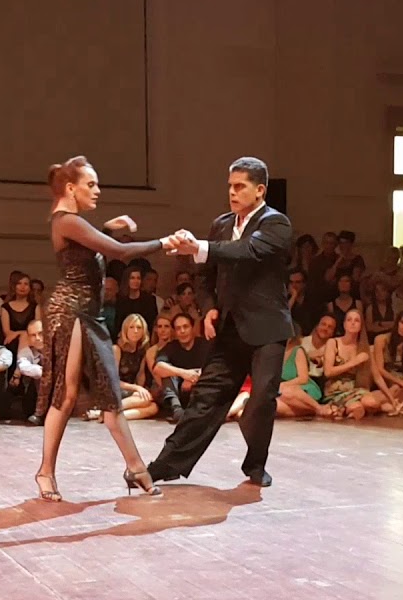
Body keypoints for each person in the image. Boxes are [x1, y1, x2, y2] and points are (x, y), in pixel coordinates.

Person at [34, 156, 174, 502]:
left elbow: (95, 246)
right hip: (72, 314)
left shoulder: (73, 224)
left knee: (111, 395)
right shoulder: (65, 220)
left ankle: (136, 467)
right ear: (71, 188)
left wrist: (110, 228)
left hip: (89, 316)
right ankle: (45, 472)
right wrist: (164, 243)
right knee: (65, 397)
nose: (97, 191)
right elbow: (119, 253)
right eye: (91, 185)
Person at [147, 157, 293, 488]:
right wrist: (210, 306)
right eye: (230, 185)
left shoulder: (276, 224)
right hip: (229, 328)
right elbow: (206, 275)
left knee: (260, 402)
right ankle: (166, 464)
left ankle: (256, 464)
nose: (232, 192)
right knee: (205, 399)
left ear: (259, 190)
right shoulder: (221, 224)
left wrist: (198, 246)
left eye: (239, 186)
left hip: (267, 330)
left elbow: (247, 251)